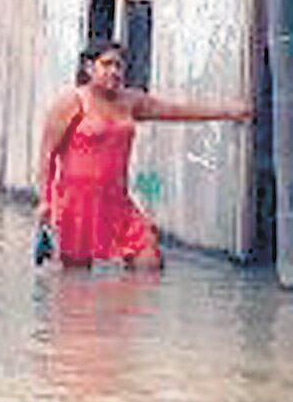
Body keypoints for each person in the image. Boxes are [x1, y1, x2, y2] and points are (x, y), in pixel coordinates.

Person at [35, 40, 252, 269]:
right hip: (75, 203)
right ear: (89, 68)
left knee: (149, 261)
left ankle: (126, 305)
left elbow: (176, 111)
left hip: (116, 201)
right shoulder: (72, 101)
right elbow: (47, 153)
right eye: (106, 64)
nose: (114, 71)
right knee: (75, 276)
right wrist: (44, 201)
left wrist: (228, 112)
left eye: (119, 66)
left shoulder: (130, 101)